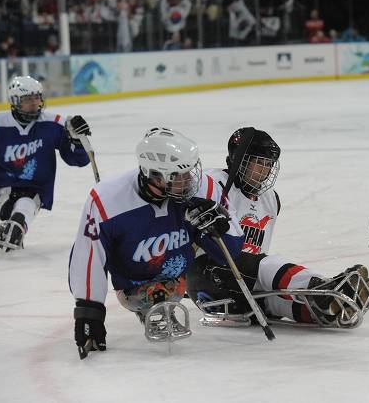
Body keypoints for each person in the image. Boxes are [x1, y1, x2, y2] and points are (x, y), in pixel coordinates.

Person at [68, 127, 244, 359]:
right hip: (132, 286)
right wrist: (88, 312)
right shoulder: (107, 200)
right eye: (180, 176)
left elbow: (231, 254)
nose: (191, 180)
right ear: (156, 175)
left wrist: (219, 226)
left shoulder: (205, 188)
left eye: (190, 171)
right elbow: (87, 255)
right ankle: (146, 306)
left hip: (178, 281)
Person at [186, 127, 369, 327]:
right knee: (267, 264)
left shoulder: (270, 200)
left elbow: (258, 257)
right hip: (209, 275)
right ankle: (323, 287)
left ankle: (327, 309)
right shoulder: (213, 184)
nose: (264, 170)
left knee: (277, 303)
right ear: (239, 159)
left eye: (268, 164)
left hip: (243, 286)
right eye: (257, 162)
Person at [0, 76, 91, 252]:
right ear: (14, 101)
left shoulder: (55, 123)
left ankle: (17, 227)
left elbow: (78, 160)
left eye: (37, 97)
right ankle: (15, 227)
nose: (35, 103)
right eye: (28, 99)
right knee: (13, 214)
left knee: (24, 208)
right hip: (2, 186)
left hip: (37, 187)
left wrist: (78, 141)